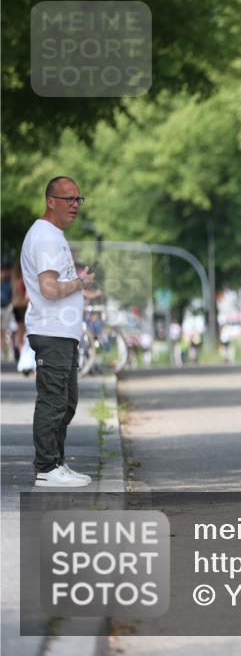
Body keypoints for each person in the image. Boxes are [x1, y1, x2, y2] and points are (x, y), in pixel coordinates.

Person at [20, 176, 96, 488]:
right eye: (69, 199)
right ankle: (47, 468)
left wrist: (79, 285)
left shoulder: (52, 235)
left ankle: (56, 463)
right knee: (53, 401)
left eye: (78, 199)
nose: (75, 205)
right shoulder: (46, 237)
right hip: (51, 331)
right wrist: (80, 283)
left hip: (61, 332)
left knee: (66, 402)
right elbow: (49, 288)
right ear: (51, 201)